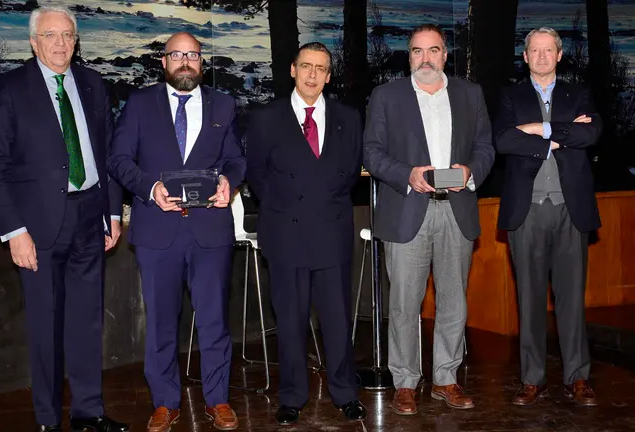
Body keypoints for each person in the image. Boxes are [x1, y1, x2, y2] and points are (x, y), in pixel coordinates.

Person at [0, 6, 126, 432]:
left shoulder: (93, 84)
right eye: (51, 35)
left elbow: (108, 154)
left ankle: (89, 412)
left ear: (76, 41)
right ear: (34, 41)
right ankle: (48, 420)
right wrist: (14, 232)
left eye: (68, 35)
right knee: (45, 328)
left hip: (90, 218)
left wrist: (112, 213)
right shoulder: (10, 89)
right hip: (38, 226)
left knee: (87, 321)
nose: (61, 43)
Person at [107, 32, 245, 431]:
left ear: (202, 62)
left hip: (210, 231)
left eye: (194, 55)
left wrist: (229, 183)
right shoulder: (138, 105)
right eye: (177, 55)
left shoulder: (224, 104)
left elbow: (236, 159)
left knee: (215, 321)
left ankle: (218, 400)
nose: (186, 61)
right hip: (157, 231)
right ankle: (164, 402)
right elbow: (118, 159)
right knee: (162, 323)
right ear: (163, 61)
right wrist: (149, 189)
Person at [363, 24, 495, 413]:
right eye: (417, 52)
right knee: (405, 302)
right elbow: (371, 152)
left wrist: (471, 172)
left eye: (433, 50)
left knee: (454, 300)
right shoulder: (387, 96)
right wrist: (408, 174)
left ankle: (446, 379)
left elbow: (486, 147)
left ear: (445, 55)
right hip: (407, 210)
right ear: (409, 57)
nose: (426, 59)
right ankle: (405, 381)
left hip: (457, 210)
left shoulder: (470, 94)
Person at [245, 42, 367, 426]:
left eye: (321, 68)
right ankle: (292, 397)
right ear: (292, 70)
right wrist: (286, 207)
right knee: (292, 321)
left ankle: (345, 392)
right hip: (285, 232)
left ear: (329, 76)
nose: (313, 74)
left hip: (331, 231)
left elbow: (349, 174)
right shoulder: (266, 118)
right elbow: (257, 175)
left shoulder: (349, 118)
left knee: (336, 319)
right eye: (306, 66)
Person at [494, 27, 602, 407]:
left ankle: (578, 377)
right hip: (527, 211)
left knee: (572, 299)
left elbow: (592, 136)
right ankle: (532, 379)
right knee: (530, 299)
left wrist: (540, 130)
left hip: (571, 209)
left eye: (548, 50)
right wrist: (563, 134)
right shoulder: (510, 96)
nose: (541, 56)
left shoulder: (579, 93)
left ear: (559, 55)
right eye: (534, 50)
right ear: (525, 57)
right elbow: (504, 141)